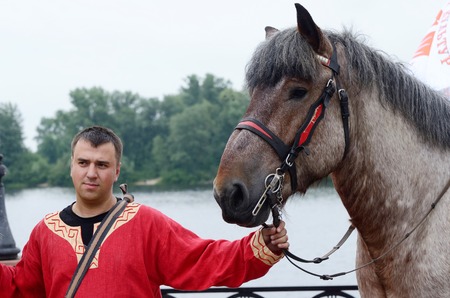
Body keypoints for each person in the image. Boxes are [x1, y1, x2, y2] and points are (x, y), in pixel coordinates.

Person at [0, 126, 289, 297]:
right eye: (83, 162)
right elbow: (21, 287)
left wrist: (258, 247)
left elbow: (201, 260)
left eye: (101, 165)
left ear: (117, 171)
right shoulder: (46, 231)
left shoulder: (145, 223)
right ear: (71, 166)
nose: (91, 173)